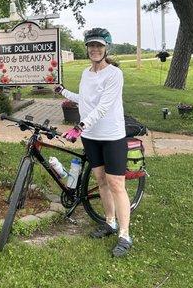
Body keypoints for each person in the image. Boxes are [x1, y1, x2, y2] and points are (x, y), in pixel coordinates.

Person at [54, 28, 132, 257]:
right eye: (91, 46)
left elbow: (104, 106)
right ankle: (110, 222)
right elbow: (85, 100)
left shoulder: (114, 74)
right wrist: (64, 92)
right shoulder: (86, 73)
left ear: (106, 48)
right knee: (100, 180)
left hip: (111, 136)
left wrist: (79, 126)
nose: (95, 49)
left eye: (99, 46)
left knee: (116, 183)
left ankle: (125, 234)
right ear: (87, 48)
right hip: (91, 137)